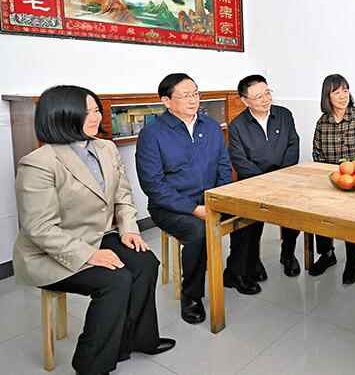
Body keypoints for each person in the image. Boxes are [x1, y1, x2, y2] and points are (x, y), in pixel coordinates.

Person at [13, 85, 174, 375]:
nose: (96, 117)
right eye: (86, 112)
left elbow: (123, 195)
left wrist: (129, 230)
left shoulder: (106, 148)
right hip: (50, 252)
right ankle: (91, 365)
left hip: (100, 236)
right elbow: (40, 228)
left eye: (97, 110)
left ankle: (138, 339)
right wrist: (89, 255)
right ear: (60, 115)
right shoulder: (39, 163)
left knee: (146, 263)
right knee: (115, 280)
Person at [136, 73, 235, 326]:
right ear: (166, 101)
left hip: (210, 198)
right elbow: (153, 185)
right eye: (185, 96)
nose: (193, 100)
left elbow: (224, 165)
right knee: (198, 232)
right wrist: (193, 208)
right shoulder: (152, 134)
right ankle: (191, 295)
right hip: (170, 206)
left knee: (250, 212)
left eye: (195, 94)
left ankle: (239, 271)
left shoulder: (210, 126)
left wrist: (219, 198)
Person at [227, 74, 301, 278]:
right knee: (250, 222)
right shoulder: (237, 125)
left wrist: (282, 177)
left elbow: (293, 145)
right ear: (245, 101)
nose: (266, 99)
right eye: (259, 96)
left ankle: (288, 254)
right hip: (254, 183)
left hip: (285, 178)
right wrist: (265, 183)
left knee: (295, 213)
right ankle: (254, 260)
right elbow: (239, 160)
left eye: (267, 93)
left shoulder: (284, 115)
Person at [309, 74, 355, 285]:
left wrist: (351, 177)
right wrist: (334, 178)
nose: (342, 96)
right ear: (327, 96)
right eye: (336, 92)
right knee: (317, 206)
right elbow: (317, 155)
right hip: (332, 181)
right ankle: (327, 254)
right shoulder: (322, 122)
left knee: (350, 212)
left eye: (345, 91)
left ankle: (352, 260)